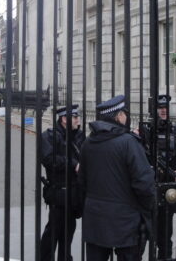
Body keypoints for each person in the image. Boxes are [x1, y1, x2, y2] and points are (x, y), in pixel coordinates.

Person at [78, 95, 156, 261]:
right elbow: (144, 183)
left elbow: (81, 182)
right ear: (119, 116)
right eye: (124, 114)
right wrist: (147, 208)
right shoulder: (128, 143)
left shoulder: (88, 143)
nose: (126, 117)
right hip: (125, 222)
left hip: (95, 220)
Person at [146, 94, 176, 260]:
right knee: (146, 230)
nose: (163, 111)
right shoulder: (148, 130)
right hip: (151, 186)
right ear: (155, 110)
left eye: (165, 108)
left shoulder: (174, 130)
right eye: (160, 108)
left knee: (166, 232)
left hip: (169, 187)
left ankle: (164, 256)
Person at [40, 104, 85, 261]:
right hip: (59, 192)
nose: (78, 119)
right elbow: (48, 160)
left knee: (69, 231)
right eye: (74, 117)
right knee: (53, 231)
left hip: (74, 193)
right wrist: (73, 163)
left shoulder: (79, 136)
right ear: (64, 119)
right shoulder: (49, 136)